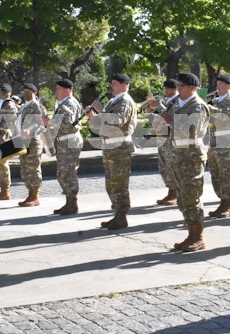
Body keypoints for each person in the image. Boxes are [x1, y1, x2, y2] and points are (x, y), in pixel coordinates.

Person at [165, 73, 211, 252]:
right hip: (178, 155)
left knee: (192, 197)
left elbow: (193, 130)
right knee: (183, 199)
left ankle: (198, 236)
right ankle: (190, 233)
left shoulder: (198, 106)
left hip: (191, 157)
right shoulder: (179, 103)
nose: (178, 89)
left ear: (192, 87)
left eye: (181, 86)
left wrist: (172, 121)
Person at [87, 73, 138, 230]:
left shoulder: (125, 101)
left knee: (119, 184)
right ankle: (117, 214)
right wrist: (91, 116)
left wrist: (101, 110)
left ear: (124, 85)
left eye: (114, 84)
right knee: (111, 184)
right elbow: (102, 124)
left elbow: (117, 121)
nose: (111, 86)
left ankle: (122, 216)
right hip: (111, 147)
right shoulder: (113, 101)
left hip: (120, 148)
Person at [44, 79, 83, 215]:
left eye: (59, 89)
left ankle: (72, 203)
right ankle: (69, 202)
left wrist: (49, 121)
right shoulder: (64, 103)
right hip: (64, 142)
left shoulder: (70, 103)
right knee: (62, 173)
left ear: (68, 89)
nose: (56, 91)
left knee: (68, 172)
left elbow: (69, 124)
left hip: (69, 142)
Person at [207, 74, 230, 218]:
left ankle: (228, 204)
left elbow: (224, 116)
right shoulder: (215, 101)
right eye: (217, 83)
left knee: (226, 173)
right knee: (215, 172)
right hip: (214, 139)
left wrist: (207, 107)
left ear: (229, 86)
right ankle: (222, 201)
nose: (218, 85)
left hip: (226, 139)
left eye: (221, 83)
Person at [143, 78, 180, 205]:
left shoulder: (178, 101)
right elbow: (147, 112)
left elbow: (171, 114)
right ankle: (170, 190)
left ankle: (175, 192)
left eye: (169, 88)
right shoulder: (164, 101)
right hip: (162, 136)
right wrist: (150, 104)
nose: (166, 91)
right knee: (163, 166)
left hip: (172, 137)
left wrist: (159, 106)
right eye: (165, 88)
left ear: (175, 89)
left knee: (171, 166)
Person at [16, 83, 47, 207]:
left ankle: (35, 196)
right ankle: (30, 193)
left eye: (29, 91)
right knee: (25, 168)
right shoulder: (23, 107)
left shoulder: (37, 106)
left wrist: (32, 132)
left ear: (35, 93)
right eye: (25, 91)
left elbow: (42, 124)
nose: (26, 93)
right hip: (22, 141)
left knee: (33, 168)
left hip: (33, 141)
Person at [0, 84, 19, 201]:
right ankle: (2, 189)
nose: (2, 92)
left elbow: (12, 122)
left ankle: (5, 191)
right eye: (1, 90)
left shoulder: (9, 104)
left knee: (2, 162)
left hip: (3, 136)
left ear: (9, 93)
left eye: (5, 91)